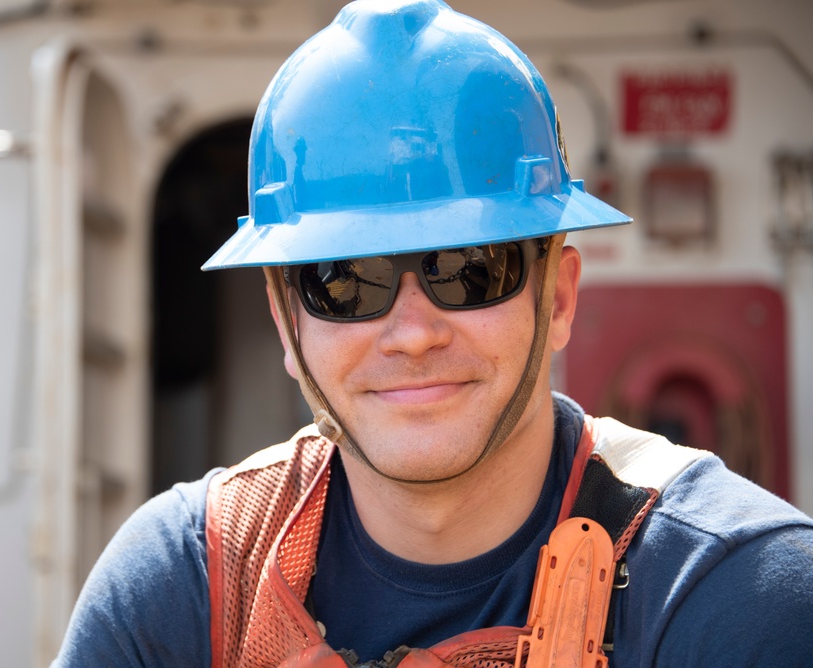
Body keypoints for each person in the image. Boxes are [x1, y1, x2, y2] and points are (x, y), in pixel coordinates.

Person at [53, 1, 813, 666]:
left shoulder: (738, 594)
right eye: (344, 281)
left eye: (470, 268)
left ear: (559, 299)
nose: (411, 333)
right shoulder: (185, 582)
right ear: (287, 319)